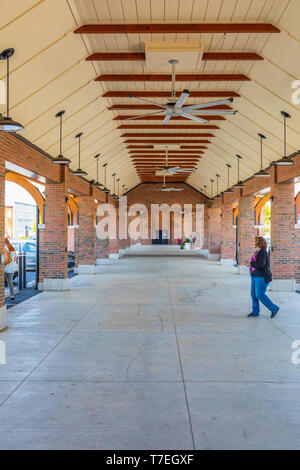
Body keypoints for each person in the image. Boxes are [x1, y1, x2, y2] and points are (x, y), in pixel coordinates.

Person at [247, 236, 279, 318]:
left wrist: (251, 264)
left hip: (261, 277)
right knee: (253, 294)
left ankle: (274, 308)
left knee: (260, 294)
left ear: (259, 242)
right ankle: (255, 311)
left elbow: (261, 264)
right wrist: (250, 263)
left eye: (255, 241)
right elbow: (256, 262)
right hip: (254, 276)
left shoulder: (263, 252)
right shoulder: (258, 251)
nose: (254, 243)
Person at [5, 238, 17, 302]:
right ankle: (12, 295)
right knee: (10, 282)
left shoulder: (7, 249)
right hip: (12, 268)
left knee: (9, 282)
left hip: (7, 268)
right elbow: (15, 259)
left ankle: (12, 295)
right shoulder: (13, 250)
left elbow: (7, 260)